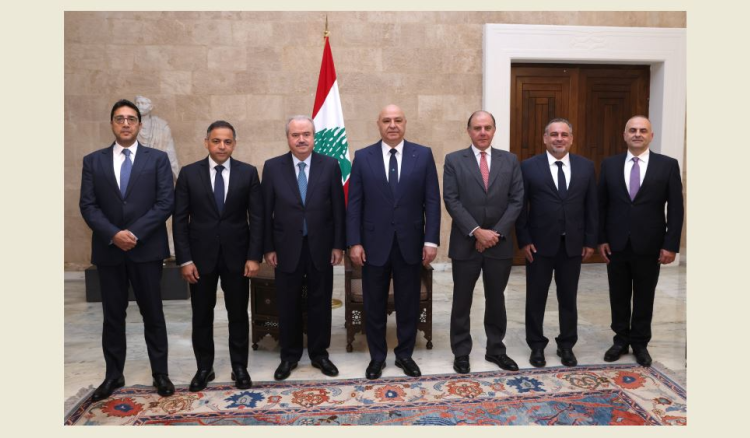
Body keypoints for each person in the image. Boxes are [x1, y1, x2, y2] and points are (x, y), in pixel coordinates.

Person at [79, 99, 175, 401]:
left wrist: (134, 233)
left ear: (139, 125)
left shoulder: (157, 159)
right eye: (119, 118)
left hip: (146, 250)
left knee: (153, 314)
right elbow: (88, 205)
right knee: (112, 316)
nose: (125, 124)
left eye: (131, 119)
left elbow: (165, 202)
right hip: (109, 251)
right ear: (112, 123)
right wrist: (114, 234)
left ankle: (160, 374)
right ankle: (113, 374)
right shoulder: (93, 161)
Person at [347, 104, 441, 379]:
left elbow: (432, 201)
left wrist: (431, 240)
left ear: (405, 123)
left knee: (408, 302)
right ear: (378, 124)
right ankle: (377, 357)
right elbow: (354, 204)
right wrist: (354, 242)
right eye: (386, 120)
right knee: (374, 304)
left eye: (397, 120)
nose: (392, 125)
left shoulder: (422, 155)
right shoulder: (363, 157)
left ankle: (404, 355)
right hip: (373, 244)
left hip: (410, 243)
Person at [172, 120, 263, 391]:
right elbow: (179, 220)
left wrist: (254, 256)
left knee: (238, 314)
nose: (221, 146)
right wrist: (185, 259)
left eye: (227, 141)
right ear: (206, 143)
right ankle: (204, 368)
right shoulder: (189, 174)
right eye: (216, 141)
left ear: (234, 144)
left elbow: (257, 218)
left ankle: (239, 367)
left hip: (238, 258)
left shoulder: (248, 173)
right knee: (201, 315)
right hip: (200, 260)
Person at [262, 115, 346, 381]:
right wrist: (268, 247)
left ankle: (320, 354)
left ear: (313, 137)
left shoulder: (330, 165)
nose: (301, 139)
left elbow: (338, 208)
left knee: (321, 301)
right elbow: (265, 212)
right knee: (288, 303)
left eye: (306, 134)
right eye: (296, 135)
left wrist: (338, 244)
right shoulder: (272, 167)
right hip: (285, 248)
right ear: (288, 138)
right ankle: (289, 356)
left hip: (321, 247)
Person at [598, 115, 684, 367]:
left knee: (645, 296)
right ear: (624, 135)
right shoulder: (610, 165)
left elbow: (676, 208)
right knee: (618, 295)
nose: (637, 134)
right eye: (633, 130)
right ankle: (620, 340)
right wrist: (601, 238)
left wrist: (670, 245)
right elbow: (601, 205)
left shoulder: (667, 165)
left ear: (651, 136)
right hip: (616, 244)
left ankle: (640, 343)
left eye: (643, 130)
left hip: (651, 245)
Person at [443, 110, 523, 374]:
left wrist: (494, 234)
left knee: (496, 299)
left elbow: (516, 200)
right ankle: (461, 352)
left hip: (499, 244)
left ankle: (496, 349)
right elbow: (451, 199)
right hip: (465, 242)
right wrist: (477, 231)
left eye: (487, 127)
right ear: (468, 131)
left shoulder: (510, 160)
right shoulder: (454, 160)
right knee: (462, 300)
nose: (482, 132)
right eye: (477, 128)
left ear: (494, 130)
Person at [515, 118, 597, 368]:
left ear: (571, 139)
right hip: (538, 246)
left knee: (568, 298)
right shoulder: (529, 167)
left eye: (564, 134)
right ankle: (536, 345)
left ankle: (566, 345)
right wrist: (524, 239)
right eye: (554, 134)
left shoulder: (586, 167)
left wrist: (590, 240)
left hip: (573, 245)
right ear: (545, 138)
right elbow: (520, 207)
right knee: (536, 297)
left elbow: (591, 206)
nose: (559, 139)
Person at [135, 95, 181, 257]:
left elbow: (170, 151)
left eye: (143, 102)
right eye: (137, 102)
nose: (140, 105)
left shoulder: (162, 126)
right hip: (136, 178)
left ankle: (169, 248)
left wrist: (177, 177)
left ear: (151, 106)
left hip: (159, 174)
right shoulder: (131, 126)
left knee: (164, 209)